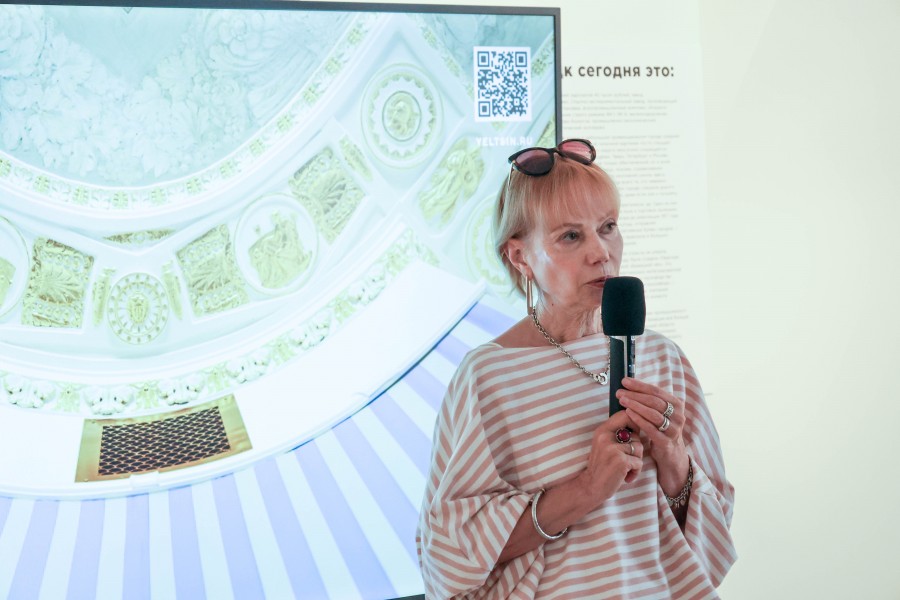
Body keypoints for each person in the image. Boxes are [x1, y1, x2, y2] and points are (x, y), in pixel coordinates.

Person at [416, 139, 736, 598]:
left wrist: (672, 459)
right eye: (571, 236)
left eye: (608, 227)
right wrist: (587, 488)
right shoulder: (489, 377)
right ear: (519, 257)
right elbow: (447, 557)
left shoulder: (663, 357)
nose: (601, 252)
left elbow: (717, 528)